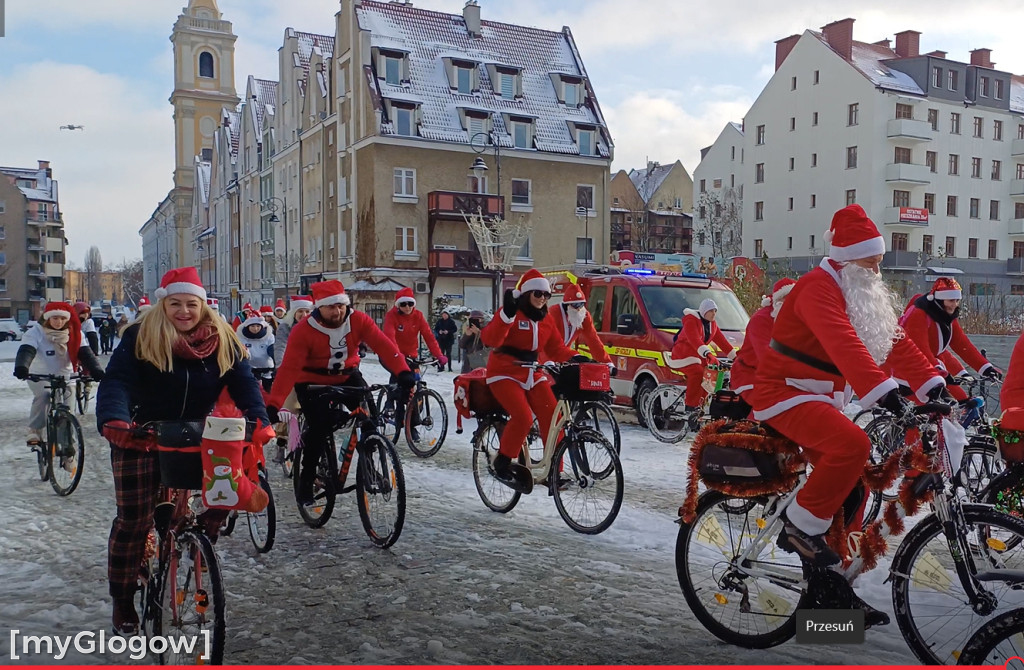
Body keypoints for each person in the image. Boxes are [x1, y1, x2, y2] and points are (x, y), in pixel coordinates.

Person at [751, 205, 945, 623]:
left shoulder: (853, 288)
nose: (877, 269)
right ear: (846, 257)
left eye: (879, 261)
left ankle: (828, 607)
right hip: (784, 393)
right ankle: (799, 525)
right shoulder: (817, 287)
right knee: (852, 445)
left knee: (852, 489)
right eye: (871, 261)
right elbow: (844, 345)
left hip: (821, 398)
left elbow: (893, 341)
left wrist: (933, 383)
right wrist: (886, 394)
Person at [95, 267, 271, 635]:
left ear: (202, 305)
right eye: (175, 303)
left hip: (195, 433)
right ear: (164, 304)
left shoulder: (223, 338)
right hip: (141, 433)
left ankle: (193, 541)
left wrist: (258, 419)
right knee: (134, 520)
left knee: (192, 509)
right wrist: (116, 419)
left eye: (191, 304)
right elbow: (118, 382)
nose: (184, 311)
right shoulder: (142, 334)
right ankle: (123, 598)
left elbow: (243, 383)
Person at [265, 280, 414, 506]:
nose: (337, 311)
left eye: (341, 306)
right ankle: (306, 478)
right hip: (311, 381)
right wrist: (275, 403)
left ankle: (369, 463)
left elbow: (384, 345)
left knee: (369, 418)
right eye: (331, 307)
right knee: (320, 425)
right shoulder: (304, 330)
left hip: (347, 375)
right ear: (320, 307)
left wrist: (403, 372)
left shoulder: (358, 320)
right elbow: (289, 369)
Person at [482, 269, 578, 492]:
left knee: (554, 417)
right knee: (523, 417)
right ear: (526, 294)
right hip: (504, 372)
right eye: (538, 294)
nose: (543, 299)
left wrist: (578, 357)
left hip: (532, 373)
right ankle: (502, 461)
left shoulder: (545, 320)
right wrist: (506, 316)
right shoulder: (512, 313)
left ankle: (554, 471)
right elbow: (490, 338)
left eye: (546, 295)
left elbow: (556, 348)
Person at [14, 301, 105, 446]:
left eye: (63, 319)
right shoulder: (36, 332)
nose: (59, 322)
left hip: (66, 375)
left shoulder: (75, 333)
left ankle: (68, 450)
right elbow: (27, 350)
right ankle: (35, 429)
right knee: (44, 395)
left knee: (68, 411)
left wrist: (96, 370)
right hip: (40, 375)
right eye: (55, 318)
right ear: (47, 318)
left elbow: (85, 354)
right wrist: (22, 367)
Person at [897, 277, 1002, 400]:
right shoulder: (918, 314)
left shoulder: (947, 316)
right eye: (951, 300)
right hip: (908, 369)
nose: (955, 305)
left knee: (964, 401)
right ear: (939, 300)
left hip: (931, 364)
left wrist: (986, 368)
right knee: (942, 409)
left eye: (957, 300)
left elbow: (962, 345)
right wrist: (940, 371)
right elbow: (920, 349)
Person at [383, 287, 446, 432]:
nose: (407, 307)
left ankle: (412, 423)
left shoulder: (418, 316)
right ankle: (389, 402)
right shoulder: (391, 316)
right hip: (391, 353)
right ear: (398, 305)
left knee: (413, 387)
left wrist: (439, 355)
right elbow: (389, 337)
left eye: (410, 304)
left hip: (411, 356)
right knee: (398, 373)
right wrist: (397, 355)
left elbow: (429, 337)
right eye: (403, 304)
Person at [667, 298, 737, 426]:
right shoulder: (691, 321)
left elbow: (722, 342)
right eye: (711, 311)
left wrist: (735, 358)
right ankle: (691, 407)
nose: (714, 314)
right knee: (698, 373)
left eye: (715, 311)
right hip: (683, 354)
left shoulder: (712, 325)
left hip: (698, 355)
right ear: (704, 311)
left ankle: (700, 406)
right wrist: (708, 354)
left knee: (711, 375)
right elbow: (694, 340)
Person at [730, 278, 797, 405]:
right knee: (769, 407)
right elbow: (767, 357)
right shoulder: (761, 320)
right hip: (750, 375)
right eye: (789, 299)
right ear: (779, 300)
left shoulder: (793, 320)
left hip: (780, 378)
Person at [541, 283, 612, 366]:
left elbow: (593, 340)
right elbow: (542, 342)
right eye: (575, 305)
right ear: (566, 305)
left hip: (563, 358)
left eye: (581, 304)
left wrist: (607, 363)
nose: (579, 308)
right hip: (545, 358)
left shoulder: (583, 315)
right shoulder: (553, 313)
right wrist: (546, 361)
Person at [236, 311, 275, 391]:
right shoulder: (240, 337)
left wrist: (277, 363)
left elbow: (273, 350)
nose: (255, 328)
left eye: (258, 326)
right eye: (252, 326)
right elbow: (240, 352)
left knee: (268, 391)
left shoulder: (269, 336)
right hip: (250, 369)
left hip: (266, 369)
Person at [275, 295, 313, 360]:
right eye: (300, 311)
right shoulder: (285, 328)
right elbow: (280, 347)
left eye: (307, 311)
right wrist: (281, 365)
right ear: (294, 313)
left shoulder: (317, 327)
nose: (304, 315)